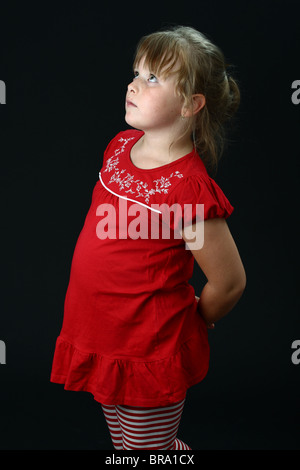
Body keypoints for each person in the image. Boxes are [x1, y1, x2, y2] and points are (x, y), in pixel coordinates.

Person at [50, 25, 246, 450]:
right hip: (101, 334)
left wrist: (202, 316)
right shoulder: (119, 146)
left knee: (148, 451)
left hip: (145, 346)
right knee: (126, 446)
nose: (134, 84)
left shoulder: (187, 188)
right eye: (136, 72)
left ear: (191, 104)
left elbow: (229, 281)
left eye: (153, 78)